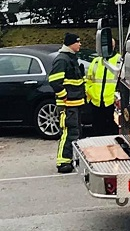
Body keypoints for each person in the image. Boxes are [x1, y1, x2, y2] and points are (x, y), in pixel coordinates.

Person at [49, 33, 86, 173]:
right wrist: (64, 96)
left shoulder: (71, 58)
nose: (80, 44)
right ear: (71, 44)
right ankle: (63, 162)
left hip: (75, 102)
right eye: (78, 42)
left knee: (75, 132)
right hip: (67, 104)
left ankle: (72, 158)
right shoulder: (62, 60)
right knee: (68, 132)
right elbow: (54, 81)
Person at [85, 37, 121, 136]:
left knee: (112, 133)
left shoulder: (119, 61)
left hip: (112, 103)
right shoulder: (96, 61)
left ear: (113, 46)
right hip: (96, 103)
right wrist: (90, 94)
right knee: (97, 132)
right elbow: (88, 80)